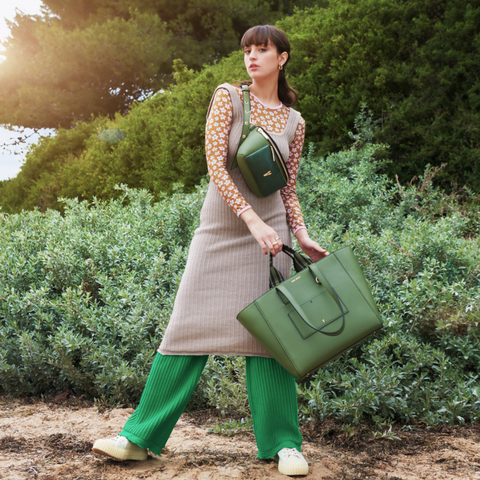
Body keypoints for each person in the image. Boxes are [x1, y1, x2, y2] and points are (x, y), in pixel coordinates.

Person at [92, 24, 329, 476]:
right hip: (222, 231)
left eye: (263, 49)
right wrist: (251, 219)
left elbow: (288, 187)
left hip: (272, 236)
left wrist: (299, 234)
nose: (252, 57)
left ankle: (284, 445)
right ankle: (138, 438)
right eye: (247, 49)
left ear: (282, 58)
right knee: (185, 330)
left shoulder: (296, 122)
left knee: (271, 338)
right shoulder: (229, 97)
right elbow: (215, 168)